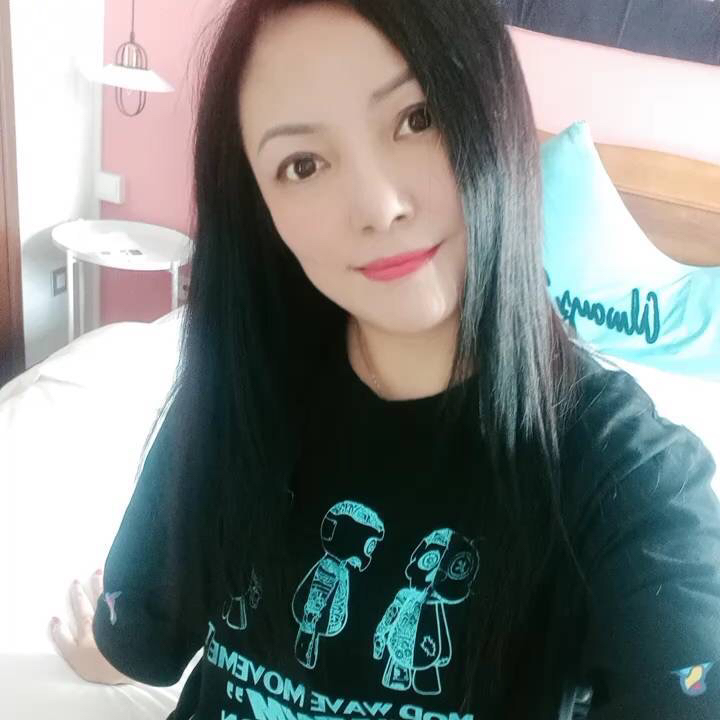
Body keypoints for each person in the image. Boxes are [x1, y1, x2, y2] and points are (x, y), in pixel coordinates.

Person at [49, 1, 720, 718]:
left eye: (416, 118)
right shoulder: (240, 394)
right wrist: (106, 645)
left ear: (491, 114)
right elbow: (140, 638)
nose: (377, 206)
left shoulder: (628, 477)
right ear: (262, 211)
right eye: (302, 164)